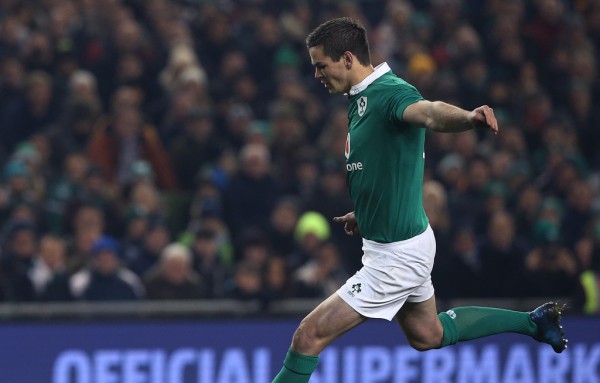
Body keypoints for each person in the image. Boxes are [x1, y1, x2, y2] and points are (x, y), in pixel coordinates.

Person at [271, 17, 567, 383]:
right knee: (428, 335)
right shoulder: (360, 98)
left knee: (308, 335)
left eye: (321, 65)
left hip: (396, 257)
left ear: (347, 58)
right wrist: (366, 213)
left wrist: (468, 117)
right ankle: (533, 323)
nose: (316, 74)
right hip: (402, 239)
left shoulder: (390, 92)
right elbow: (384, 166)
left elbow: (428, 112)